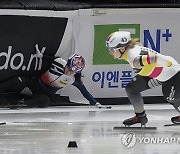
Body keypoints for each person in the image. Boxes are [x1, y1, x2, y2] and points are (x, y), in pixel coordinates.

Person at [105, 30, 180, 126]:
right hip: (160, 73)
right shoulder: (132, 49)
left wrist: (168, 64)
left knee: (171, 97)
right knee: (132, 88)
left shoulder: (134, 58)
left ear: (122, 48)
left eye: (112, 50)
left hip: (173, 74)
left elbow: (155, 58)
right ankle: (141, 117)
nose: (110, 53)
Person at [0, 46, 109, 109]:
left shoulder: (73, 80)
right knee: (16, 81)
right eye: (69, 69)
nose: (70, 73)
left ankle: (17, 104)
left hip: (42, 95)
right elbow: (50, 58)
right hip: (33, 84)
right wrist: (41, 56)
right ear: (67, 63)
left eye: (73, 72)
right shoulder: (59, 62)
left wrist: (96, 103)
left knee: (45, 101)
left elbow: (85, 92)